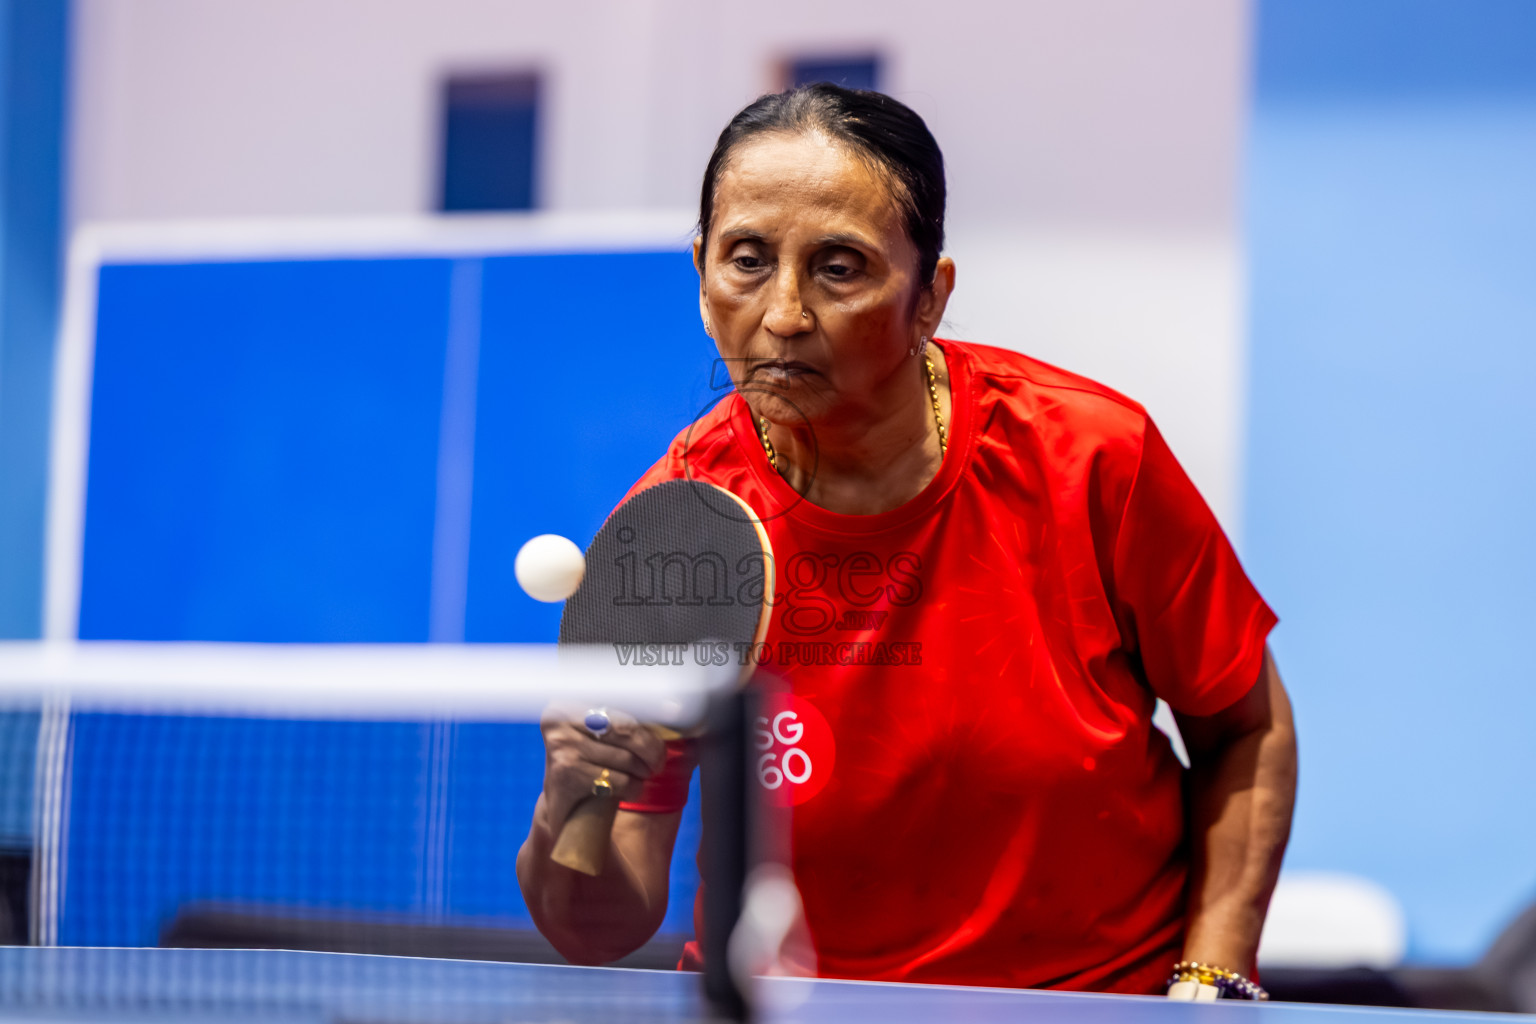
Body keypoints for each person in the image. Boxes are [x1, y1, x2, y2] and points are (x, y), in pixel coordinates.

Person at [517, 83, 1297, 998]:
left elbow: (1247, 730)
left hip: (1094, 1001)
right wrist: (574, 796)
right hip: (794, 1003)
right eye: (747, 260)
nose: (784, 315)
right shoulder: (676, 533)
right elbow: (600, 928)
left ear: (930, 295)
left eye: (840, 267)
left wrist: (1211, 976)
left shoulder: (1090, 458)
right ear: (699, 274)